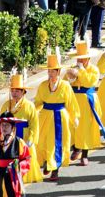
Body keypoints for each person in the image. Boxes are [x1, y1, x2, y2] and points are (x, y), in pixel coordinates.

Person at [34, 52, 78, 181]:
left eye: (52, 71)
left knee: (58, 143)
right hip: (45, 115)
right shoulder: (43, 86)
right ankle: (48, 161)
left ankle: (55, 169)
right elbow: (38, 102)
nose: (50, 74)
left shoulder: (65, 85)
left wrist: (74, 117)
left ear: (58, 72)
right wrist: (32, 112)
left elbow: (71, 103)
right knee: (43, 141)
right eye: (49, 71)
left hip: (60, 116)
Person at [67, 40, 105, 167]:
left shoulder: (94, 69)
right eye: (79, 59)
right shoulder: (73, 68)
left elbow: (89, 82)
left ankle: (84, 154)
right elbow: (66, 83)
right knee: (72, 125)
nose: (80, 61)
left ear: (88, 58)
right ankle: (76, 147)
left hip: (87, 100)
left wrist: (81, 71)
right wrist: (70, 77)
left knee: (85, 128)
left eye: (83, 59)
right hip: (74, 100)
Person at [0, 73, 42, 184]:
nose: (14, 93)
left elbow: (34, 124)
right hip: (10, 134)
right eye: (12, 91)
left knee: (25, 156)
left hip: (24, 134)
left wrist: (31, 139)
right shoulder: (6, 105)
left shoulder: (29, 105)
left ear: (23, 92)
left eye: (17, 91)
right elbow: (1, 122)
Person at [0, 112, 31, 197]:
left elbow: (26, 159)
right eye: (2, 125)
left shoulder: (19, 142)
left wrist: (17, 166)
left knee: (12, 193)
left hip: (13, 174)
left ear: (13, 127)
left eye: (7, 125)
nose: (4, 127)